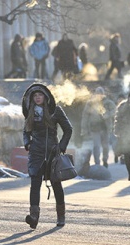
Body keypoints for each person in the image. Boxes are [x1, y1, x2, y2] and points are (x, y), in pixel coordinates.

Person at [22, 83, 73, 229]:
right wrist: (28, 144)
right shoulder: (30, 112)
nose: (38, 98)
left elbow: (68, 129)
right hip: (36, 153)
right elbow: (25, 131)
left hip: (52, 152)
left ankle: (61, 216)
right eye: (35, 96)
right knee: (35, 184)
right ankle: (34, 217)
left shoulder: (55, 111)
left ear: (45, 96)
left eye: (40, 95)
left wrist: (61, 147)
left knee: (56, 184)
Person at [81, 87, 116, 168]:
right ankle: (97, 162)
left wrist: (107, 115)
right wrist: (84, 129)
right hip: (94, 128)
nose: (99, 95)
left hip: (105, 128)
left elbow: (114, 110)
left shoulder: (108, 103)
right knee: (96, 146)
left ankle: (105, 160)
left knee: (105, 146)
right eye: (97, 94)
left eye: (100, 94)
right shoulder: (90, 103)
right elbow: (85, 116)